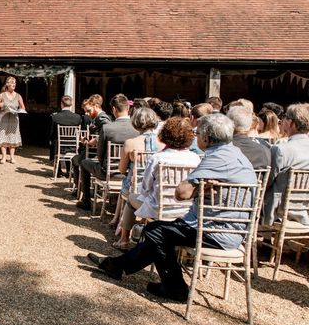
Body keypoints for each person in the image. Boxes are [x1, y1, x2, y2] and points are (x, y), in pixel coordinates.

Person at [88, 113, 256, 302]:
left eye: (197, 133)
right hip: (235, 230)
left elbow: (181, 193)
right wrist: (202, 188)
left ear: (206, 138)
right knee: (158, 231)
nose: (196, 136)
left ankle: (175, 288)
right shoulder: (236, 155)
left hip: (214, 231)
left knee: (155, 231)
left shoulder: (216, 159)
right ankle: (116, 266)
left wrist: (196, 188)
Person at [115, 117, 201, 250]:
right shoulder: (196, 159)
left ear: (164, 135)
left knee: (131, 199)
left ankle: (124, 240)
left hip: (159, 209)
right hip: (186, 211)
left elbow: (145, 188)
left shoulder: (158, 158)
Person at [78, 94, 138, 211]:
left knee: (84, 163)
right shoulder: (137, 129)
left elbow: (100, 155)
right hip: (129, 174)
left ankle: (86, 201)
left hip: (108, 172)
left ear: (114, 109)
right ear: (128, 108)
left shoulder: (107, 128)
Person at [109, 107, 162, 234]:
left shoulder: (131, 143)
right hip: (156, 188)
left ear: (135, 122)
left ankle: (121, 227)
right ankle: (118, 220)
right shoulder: (163, 143)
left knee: (126, 182)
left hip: (136, 188)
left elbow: (121, 170)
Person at [262, 103, 309, 226]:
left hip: (278, 208)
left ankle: (265, 237)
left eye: (285, 117)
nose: (281, 120)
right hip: (304, 206)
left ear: (291, 123)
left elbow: (269, 180)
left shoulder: (281, 149)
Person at [71, 94, 111, 189]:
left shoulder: (102, 118)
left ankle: (80, 189)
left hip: (95, 153)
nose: (87, 114)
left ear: (96, 106)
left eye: (89, 111)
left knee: (75, 160)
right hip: (93, 152)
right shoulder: (97, 118)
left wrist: (95, 140)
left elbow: (108, 130)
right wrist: (86, 140)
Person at [0, 76, 26, 164]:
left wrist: (20, 110)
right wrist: (0, 105)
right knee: (3, 136)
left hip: (14, 119)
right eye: (12, 83)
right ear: (7, 84)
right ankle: (3, 157)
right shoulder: (1, 95)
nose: (14, 84)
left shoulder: (18, 96)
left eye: (15, 83)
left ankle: (12, 157)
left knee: (13, 137)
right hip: (3, 119)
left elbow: (23, 107)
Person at [48, 95, 82, 174]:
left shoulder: (55, 117)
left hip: (59, 146)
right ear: (71, 104)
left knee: (53, 141)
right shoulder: (77, 117)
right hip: (73, 146)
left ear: (61, 104)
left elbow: (52, 133)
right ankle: (69, 170)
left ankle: (58, 170)